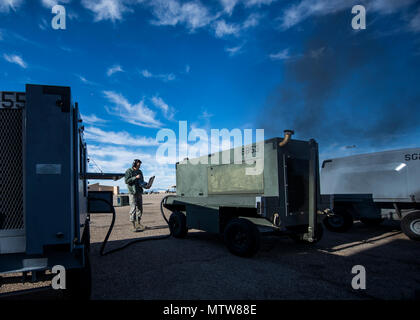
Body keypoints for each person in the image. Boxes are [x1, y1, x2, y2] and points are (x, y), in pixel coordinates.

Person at [125, 159, 148, 232]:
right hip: (132, 192)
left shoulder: (140, 172)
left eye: (140, 165)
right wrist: (135, 177)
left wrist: (146, 185)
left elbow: (141, 181)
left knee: (140, 208)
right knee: (133, 208)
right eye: (138, 165)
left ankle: (138, 223)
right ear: (134, 164)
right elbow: (126, 181)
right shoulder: (129, 171)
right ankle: (133, 225)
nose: (139, 166)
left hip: (139, 192)